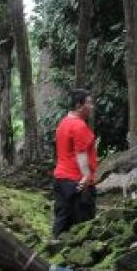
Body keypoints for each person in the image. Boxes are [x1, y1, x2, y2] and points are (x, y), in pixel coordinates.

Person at [53, 89, 98, 236]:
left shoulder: (63, 123)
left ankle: (52, 253)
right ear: (79, 105)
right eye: (89, 103)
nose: (92, 107)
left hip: (61, 180)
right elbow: (81, 153)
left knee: (62, 221)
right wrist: (85, 176)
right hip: (77, 182)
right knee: (84, 228)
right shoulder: (79, 126)